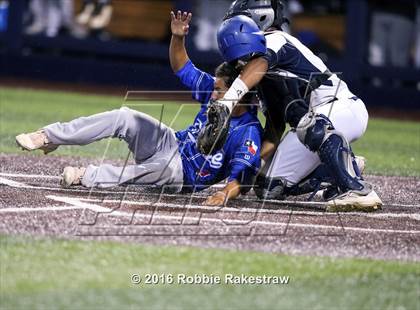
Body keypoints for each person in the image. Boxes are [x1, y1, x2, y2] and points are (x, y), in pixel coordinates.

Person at [15, 10, 263, 207]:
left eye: (220, 90)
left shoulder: (248, 131)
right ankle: (49, 136)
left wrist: (224, 195)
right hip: (170, 144)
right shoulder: (213, 92)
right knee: (126, 117)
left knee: (156, 170)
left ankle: (86, 176)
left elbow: (243, 176)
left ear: (238, 94)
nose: (214, 93)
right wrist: (178, 38)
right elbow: (182, 67)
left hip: (182, 176)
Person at [201, 6, 382, 210]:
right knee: (268, 187)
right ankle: (340, 168)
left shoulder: (275, 38)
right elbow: (275, 128)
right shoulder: (260, 78)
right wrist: (251, 162)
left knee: (301, 117)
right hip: (313, 123)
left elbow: (261, 62)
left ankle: (357, 189)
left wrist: (227, 102)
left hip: (341, 108)